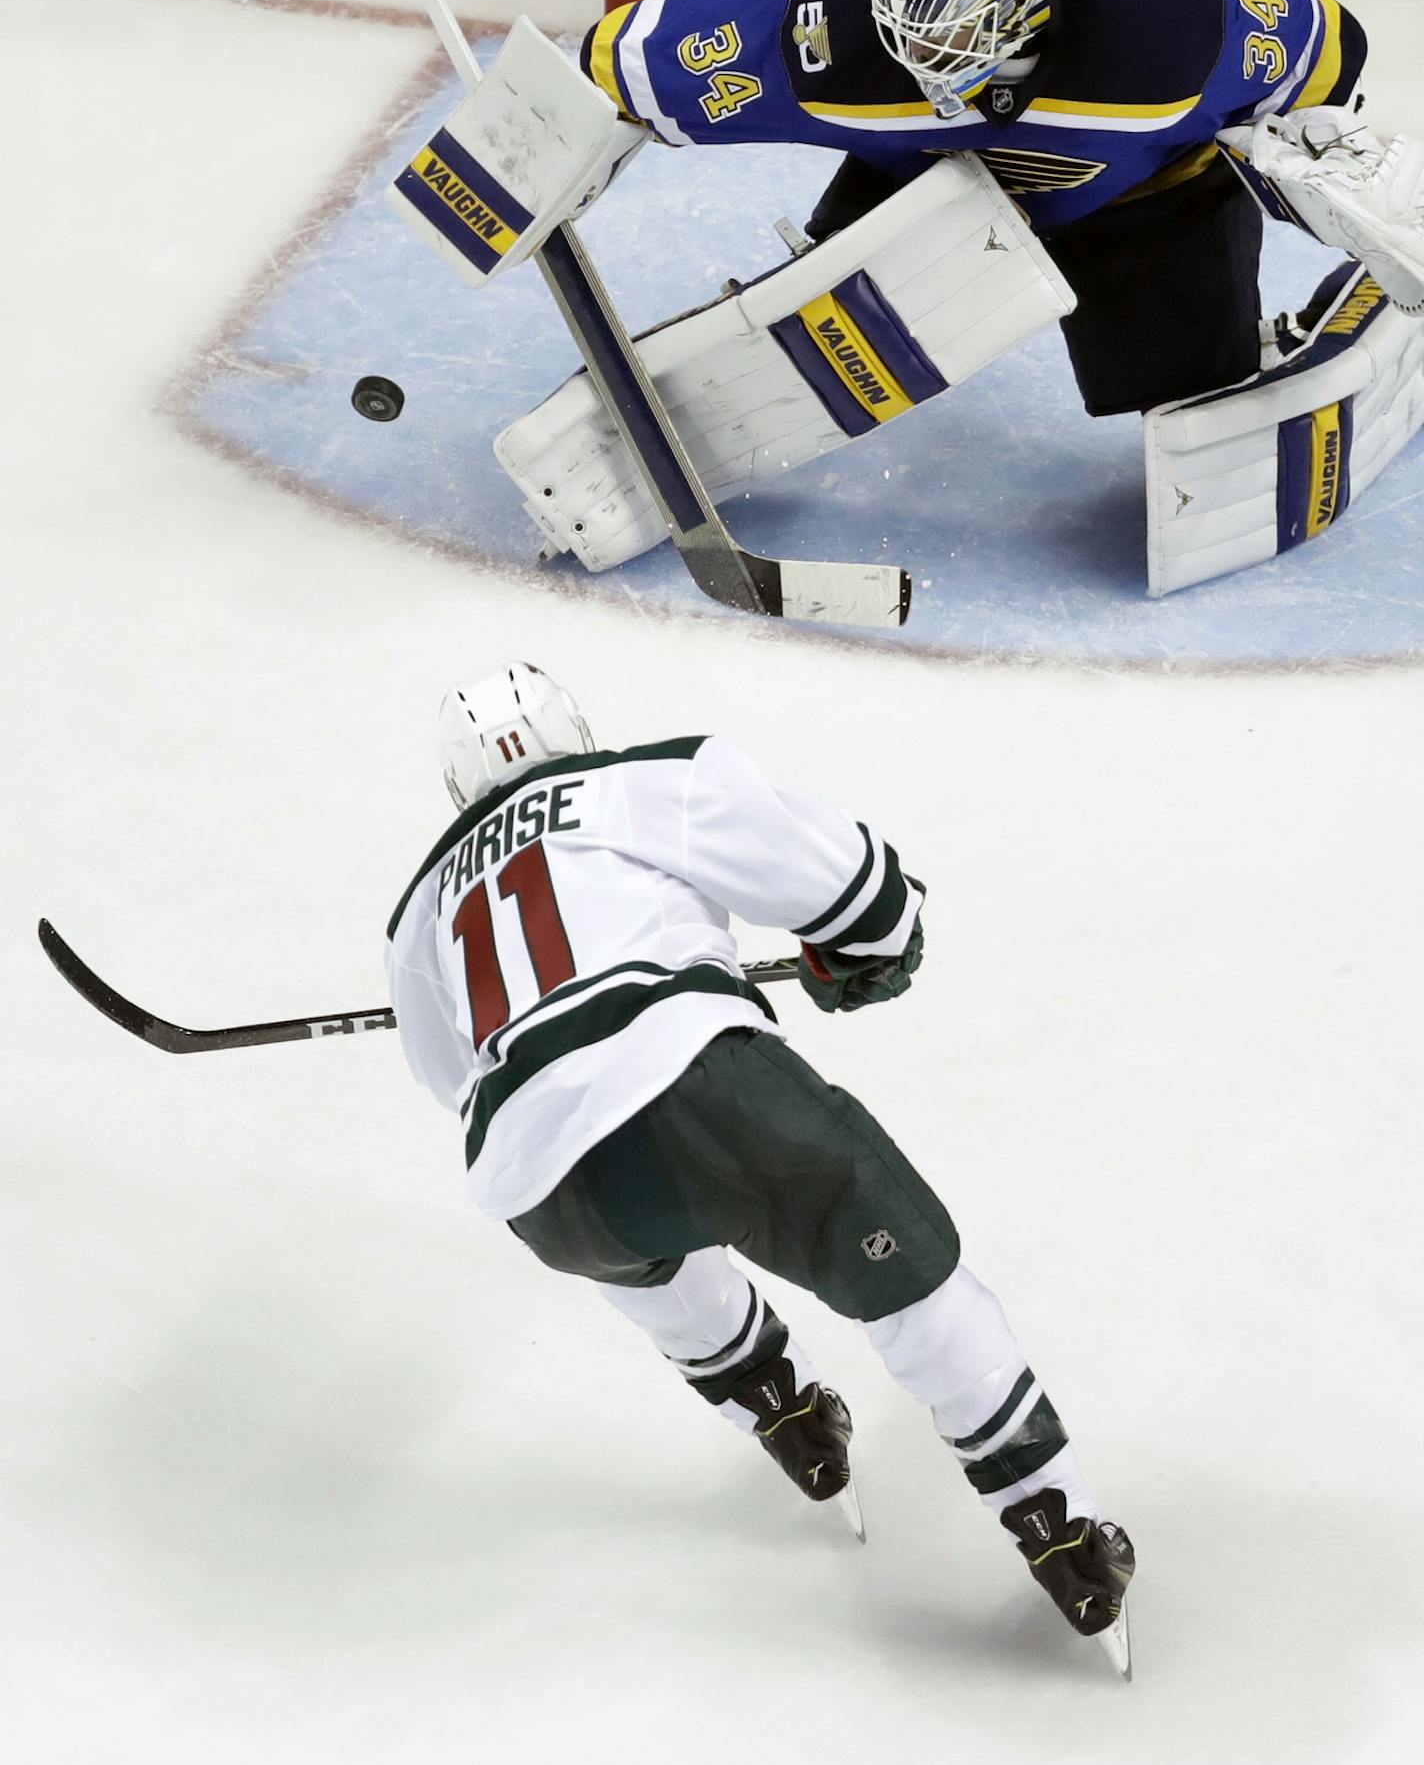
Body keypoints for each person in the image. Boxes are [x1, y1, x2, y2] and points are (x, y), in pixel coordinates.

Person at [385, 659, 1135, 1671]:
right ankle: (1061, 1525)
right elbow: (853, 894)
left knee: (656, 1262)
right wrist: (865, 946)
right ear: (578, 727)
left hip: (539, 1188)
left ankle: (782, 1412)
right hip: (697, 1089)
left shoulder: (417, 913)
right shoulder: (642, 781)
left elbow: (451, 1077)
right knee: (909, 1278)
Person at [580, 0, 1367, 420]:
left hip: (1140, 194)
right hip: (940, 181)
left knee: (1178, 383)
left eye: (953, 36)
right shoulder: (832, 37)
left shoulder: (1171, 34)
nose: (926, 62)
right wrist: (554, 137)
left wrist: (1330, 164)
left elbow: (1326, 46)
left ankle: (1238, 363)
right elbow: (647, 60)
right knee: (836, 315)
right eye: (912, 38)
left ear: (1020, 5)